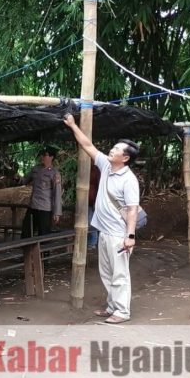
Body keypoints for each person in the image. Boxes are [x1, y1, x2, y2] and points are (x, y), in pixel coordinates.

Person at [63, 114, 139, 324]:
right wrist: (73, 125)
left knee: (119, 274)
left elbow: (132, 210)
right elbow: (88, 145)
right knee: (106, 272)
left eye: (117, 149)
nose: (112, 150)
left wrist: (130, 236)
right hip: (104, 231)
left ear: (125, 158)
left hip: (118, 235)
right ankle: (112, 306)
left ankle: (122, 312)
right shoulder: (106, 165)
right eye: (113, 147)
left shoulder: (129, 180)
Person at [20, 147, 63, 238]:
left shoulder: (55, 173)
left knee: (44, 235)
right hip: (33, 206)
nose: (42, 157)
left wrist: (57, 212)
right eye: (42, 155)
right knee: (26, 231)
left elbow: (57, 193)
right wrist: (17, 178)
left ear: (51, 157)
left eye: (45, 155)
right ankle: (27, 247)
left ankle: (44, 248)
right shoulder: (35, 169)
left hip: (45, 208)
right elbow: (24, 181)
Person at [87, 164, 101, 249]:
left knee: (92, 221)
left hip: (94, 199)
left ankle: (93, 242)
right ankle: (93, 241)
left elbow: (99, 186)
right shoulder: (88, 169)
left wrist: (96, 200)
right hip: (88, 199)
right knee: (90, 221)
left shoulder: (96, 170)